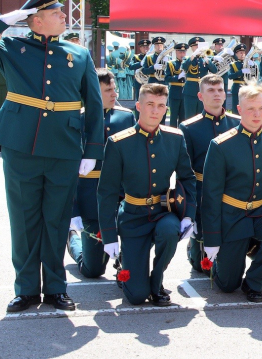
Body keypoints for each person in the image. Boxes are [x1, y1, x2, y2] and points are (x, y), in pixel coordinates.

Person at [0, 0, 104, 312]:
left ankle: (56, 288)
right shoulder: (12, 49)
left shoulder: (78, 54)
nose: (63, 16)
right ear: (36, 20)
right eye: (55, 12)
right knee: (25, 220)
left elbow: (94, 106)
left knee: (57, 220)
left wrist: (92, 151)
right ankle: (27, 288)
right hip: (21, 146)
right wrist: (3, 20)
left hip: (64, 147)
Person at [97, 83, 195, 306]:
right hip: (133, 216)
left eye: (161, 105)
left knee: (170, 231)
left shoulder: (175, 138)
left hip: (162, 213)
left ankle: (157, 281)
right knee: (137, 297)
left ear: (166, 108)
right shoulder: (118, 142)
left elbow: (187, 179)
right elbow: (107, 192)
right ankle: (128, 265)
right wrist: (110, 235)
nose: (155, 110)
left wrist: (189, 215)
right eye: (150, 104)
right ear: (138, 106)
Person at [200, 83, 262, 302]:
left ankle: (254, 282)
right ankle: (210, 257)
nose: (256, 114)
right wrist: (211, 238)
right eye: (250, 109)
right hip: (232, 213)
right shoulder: (220, 145)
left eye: (261, 108)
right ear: (239, 109)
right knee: (226, 285)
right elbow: (211, 195)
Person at [67, 70, 135, 278]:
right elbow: (68, 170)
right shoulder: (77, 118)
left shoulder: (126, 117)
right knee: (92, 270)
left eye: (114, 89)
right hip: (90, 202)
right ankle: (72, 240)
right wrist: (73, 210)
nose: (114, 94)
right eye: (108, 90)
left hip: (119, 197)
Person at [179, 73, 241, 273]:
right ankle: (193, 250)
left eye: (220, 90)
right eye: (211, 90)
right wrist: (189, 211)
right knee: (202, 267)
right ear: (200, 96)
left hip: (233, 193)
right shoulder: (189, 128)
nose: (217, 94)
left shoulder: (238, 123)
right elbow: (185, 173)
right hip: (203, 194)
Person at [181, 37, 217, 120]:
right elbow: (184, 67)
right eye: (195, 46)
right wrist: (193, 55)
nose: (197, 48)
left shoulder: (205, 59)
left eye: (199, 46)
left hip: (203, 90)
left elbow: (214, 70)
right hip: (190, 91)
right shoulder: (187, 59)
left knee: (202, 115)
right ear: (191, 47)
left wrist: (207, 60)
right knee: (189, 116)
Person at [164, 42, 188, 128]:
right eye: (180, 52)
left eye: (184, 52)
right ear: (176, 52)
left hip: (185, 93)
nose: (182, 54)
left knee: (183, 117)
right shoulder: (171, 63)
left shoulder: (188, 62)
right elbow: (167, 78)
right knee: (173, 117)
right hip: (175, 92)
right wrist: (178, 77)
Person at [227, 44, 248, 113]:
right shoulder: (233, 64)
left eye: (244, 52)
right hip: (237, 88)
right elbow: (230, 76)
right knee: (235, 109)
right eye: (240, 53)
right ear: (236, 54)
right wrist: (241, 72)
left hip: (247, 88)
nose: (242, 54)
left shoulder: (248, 63)